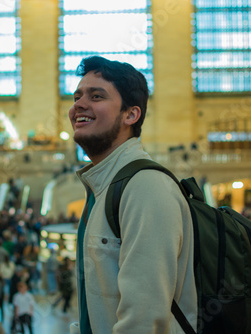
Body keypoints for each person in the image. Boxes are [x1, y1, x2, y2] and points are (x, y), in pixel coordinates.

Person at [69, 56, 197, 333]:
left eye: (96, 96)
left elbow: (143, 321)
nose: (79, 104)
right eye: (77, 95)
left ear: (130, 114)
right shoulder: (104, 184)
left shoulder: (145, 187)